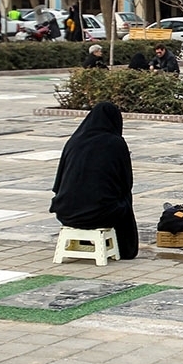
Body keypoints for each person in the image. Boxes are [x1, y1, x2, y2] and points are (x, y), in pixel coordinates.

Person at [49, 102, 139, 260]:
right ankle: (125, 248)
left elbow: (58, 184)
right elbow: (126, 183)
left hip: (66, 213)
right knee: (123, 199)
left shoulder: (73, 142)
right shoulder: (115, 143)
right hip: (101, 214)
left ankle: (84, 240)